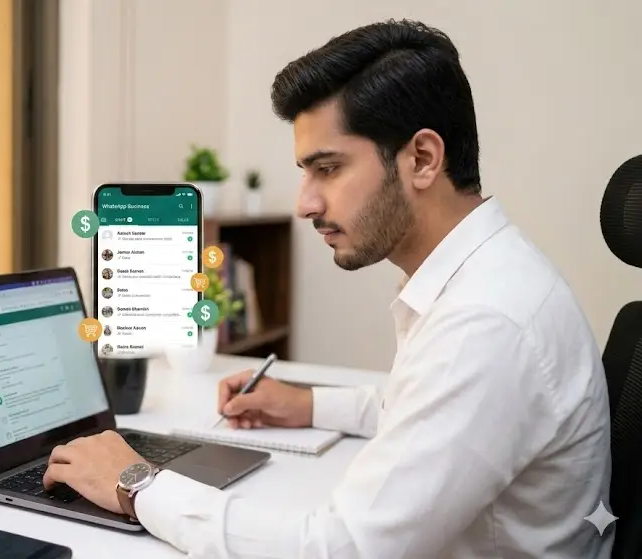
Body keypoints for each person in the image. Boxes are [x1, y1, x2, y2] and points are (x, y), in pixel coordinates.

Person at [41, 19, 612, 558]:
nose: (304, 203)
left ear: (422, 158)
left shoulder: (488, 322)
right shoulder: (487, 278)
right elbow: (423, 409)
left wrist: (136, 482)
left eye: (328, 168)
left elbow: (337, 549)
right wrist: (307, 404)